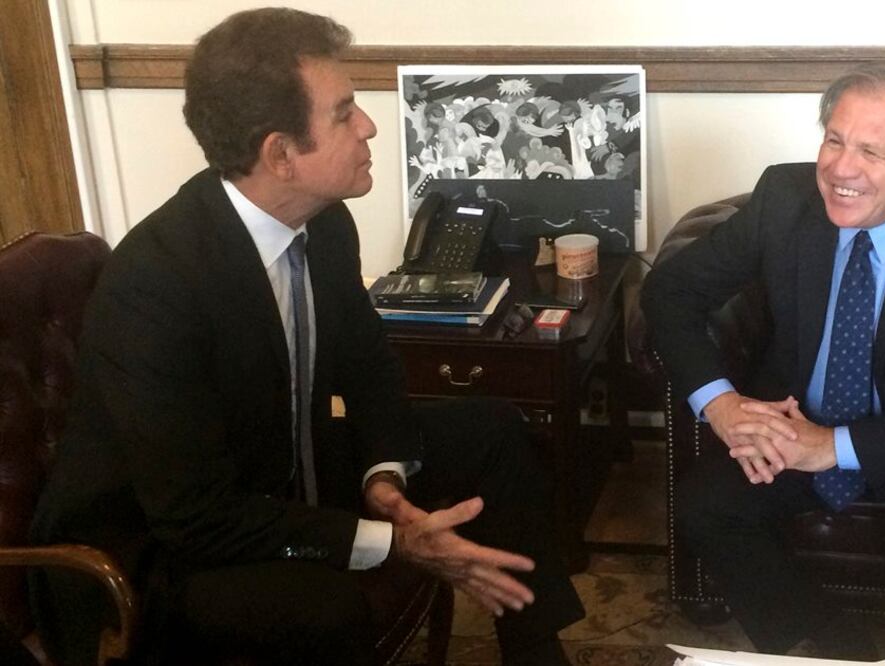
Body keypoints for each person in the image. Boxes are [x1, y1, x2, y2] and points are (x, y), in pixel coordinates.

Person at [30, 8, 582, 666]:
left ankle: (537, 655)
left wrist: (384, 478)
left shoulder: (323, 224)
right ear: (281, 155)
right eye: (345, 112)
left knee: (491, 430)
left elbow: (369, 364)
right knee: (322, 609)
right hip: (163, 545)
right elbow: (196, 517)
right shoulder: (155, 287)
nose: (368, 126)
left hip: (282, 471)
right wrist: (393, 541)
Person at [642, 62, 885, 665]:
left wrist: (833, 446)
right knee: (704, 503)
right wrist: (719, 403)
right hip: (798, 419)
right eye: (834, 139)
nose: (841, 170)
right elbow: (669, 292)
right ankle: (824, 642)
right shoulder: (783, 199)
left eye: (871, 152)